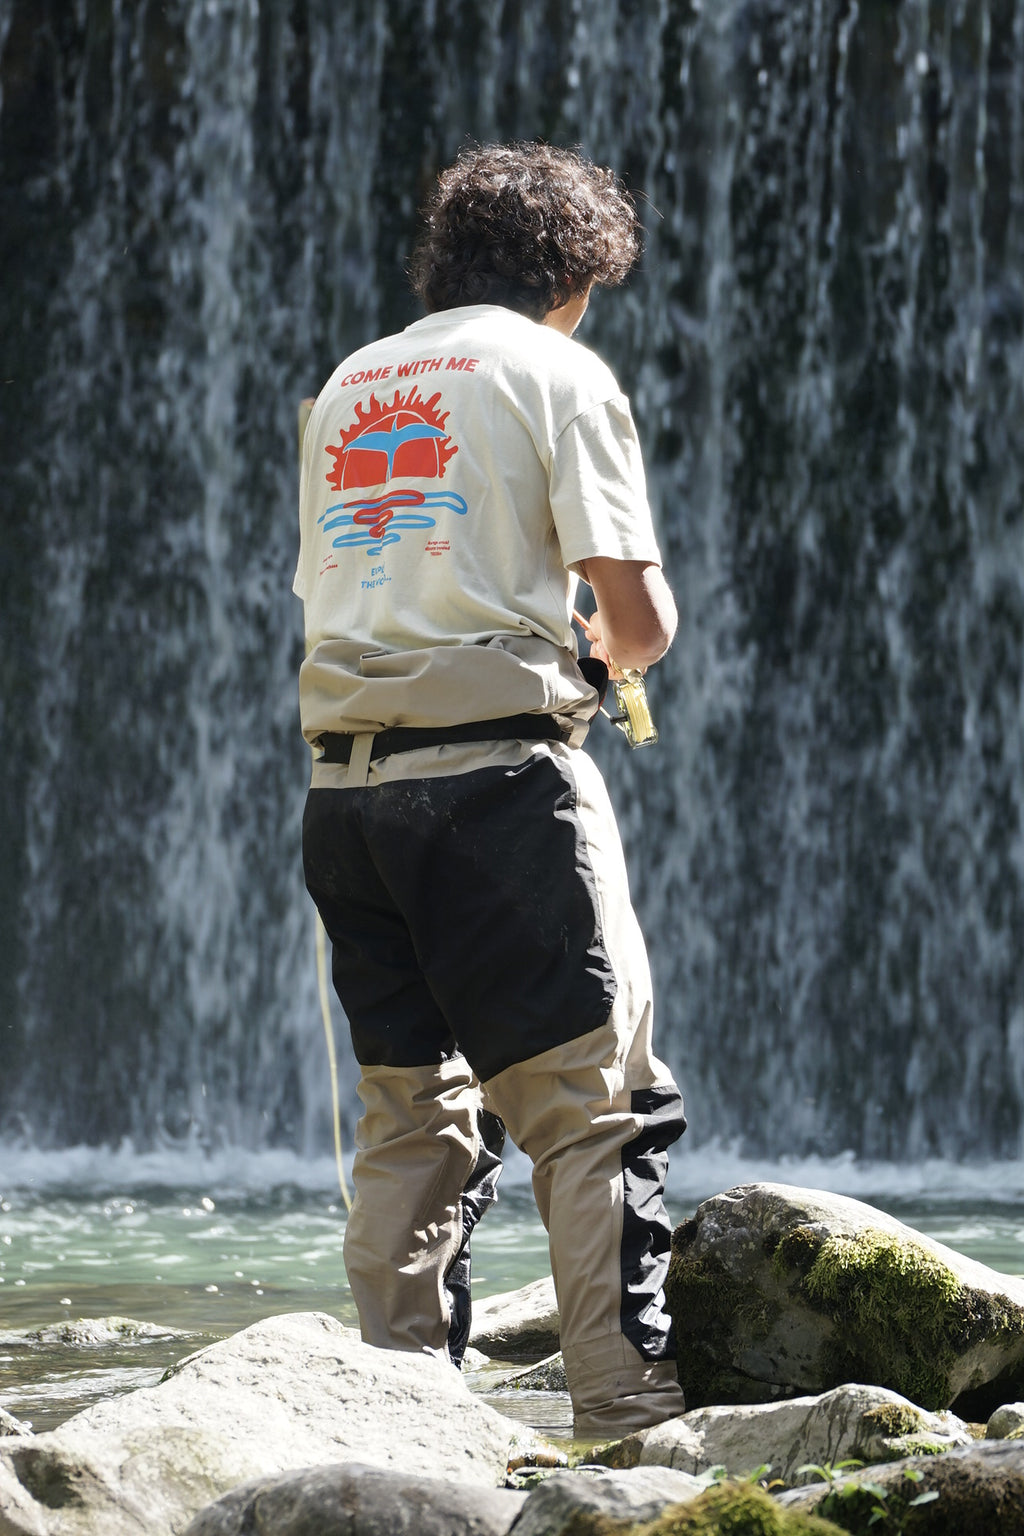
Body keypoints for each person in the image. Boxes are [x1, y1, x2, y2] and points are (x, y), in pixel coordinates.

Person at [294, 141, 686, 1440]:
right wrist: (603, 642)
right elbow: (634, 619)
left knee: (412, 1114)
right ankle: (626, 1432)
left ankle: (400, 1431)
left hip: (346, 800)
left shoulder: (353, 382)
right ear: (571, 275)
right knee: (594, 1111)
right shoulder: (556, 371)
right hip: (499, 786)